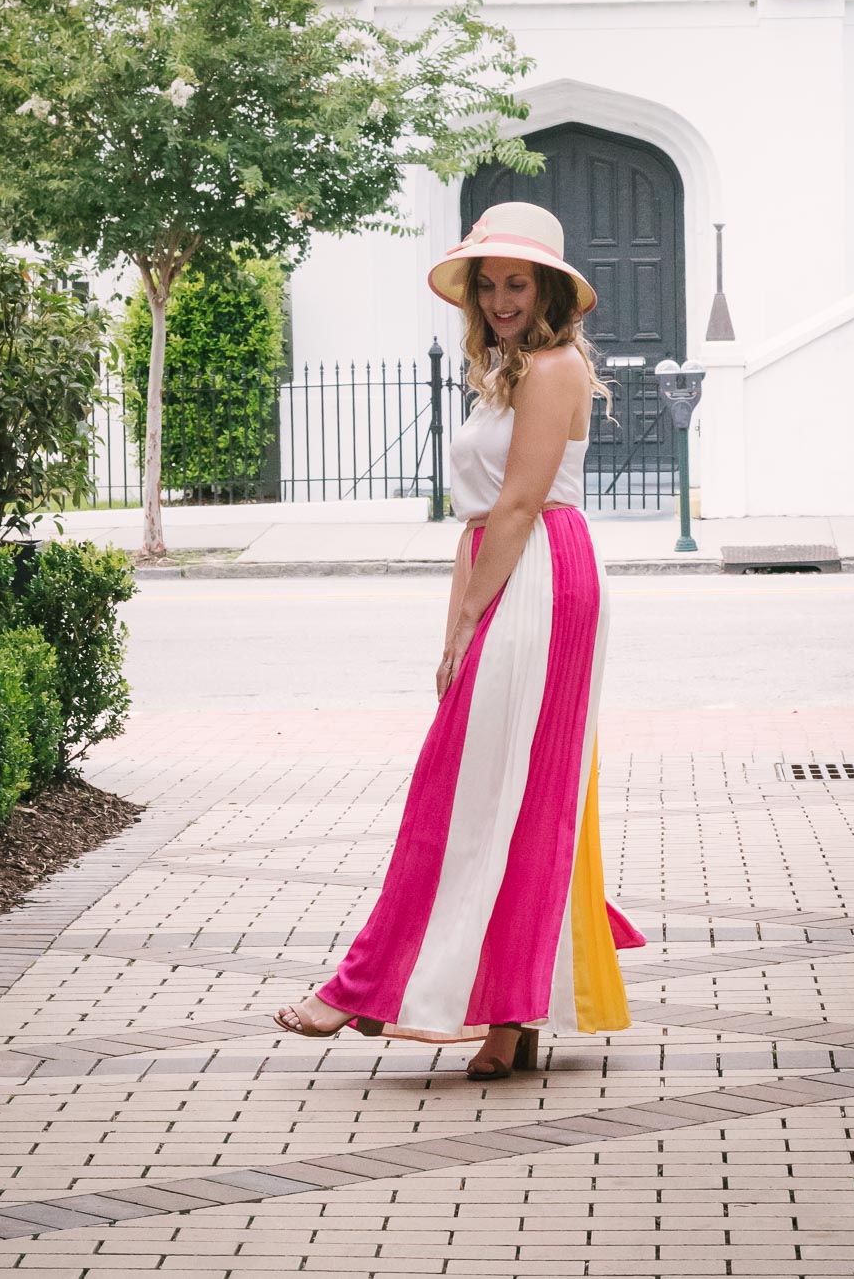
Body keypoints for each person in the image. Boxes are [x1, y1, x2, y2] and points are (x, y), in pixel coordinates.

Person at [276, 202, 643, 1079]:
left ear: (548, 287)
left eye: (516, 281)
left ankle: (365, 988)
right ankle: (506, 1016)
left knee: (478, 793)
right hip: (504, 568)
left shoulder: (554, 369)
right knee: (498, 792)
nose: (501, 296)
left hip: (543, 578)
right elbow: (476, 522)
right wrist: (454, 625)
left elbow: (518, 506)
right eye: (488, 283)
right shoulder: (501, 377)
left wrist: (476, 617)